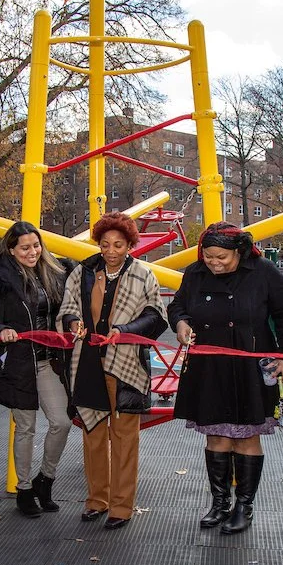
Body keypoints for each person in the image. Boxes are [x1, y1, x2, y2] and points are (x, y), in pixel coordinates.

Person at [169, 222, 283, 534]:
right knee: (215, 434)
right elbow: (178, 305)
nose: (214, 263)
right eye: (208, 256)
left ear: (239, 252)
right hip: (208, 366)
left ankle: (244, 505)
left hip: (249, 366)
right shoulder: (195, 272)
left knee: (246, 435)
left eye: (221, 257)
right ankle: (219, 502)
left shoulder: (264, 272)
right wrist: (181, 322)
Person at [57, 212, 168, 530]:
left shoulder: (143, 275)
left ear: (130, 245)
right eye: (105, 244)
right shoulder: (83, 272)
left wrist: (126, 329)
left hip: (126, 366)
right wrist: (73, 322)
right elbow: (68, 306)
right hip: (89, 362)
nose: (111, 251)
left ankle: (122, 506)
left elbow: (156, 315)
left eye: (118, 245)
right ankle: (96, 500)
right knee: (92, 435)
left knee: (124, 438)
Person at [0, 221, 72, 518]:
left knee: (62, 421)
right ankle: (25, 487)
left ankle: (46, 478)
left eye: (36, 245)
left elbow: (64, 310)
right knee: (26, 427)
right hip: (18, 362)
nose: (33, 252)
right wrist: (1, 329)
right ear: (11, 249)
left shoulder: (53, 272)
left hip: (47, 361)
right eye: (25, 248)